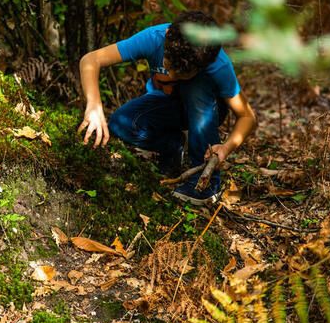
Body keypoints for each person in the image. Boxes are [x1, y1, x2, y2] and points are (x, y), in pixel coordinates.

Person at [77, 10, 257, 205]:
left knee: (197, 87)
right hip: (165, 104)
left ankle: (206, 182)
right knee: (121, 124)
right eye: (169, 66)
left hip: (204, 109)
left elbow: (247, 116)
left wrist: (225, 148)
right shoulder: (155, 38)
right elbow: (90, 60)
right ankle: (173, 146)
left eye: (181, 74)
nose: (171, 75)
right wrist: (94, 105)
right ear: (168, 36)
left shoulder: (217, 64)